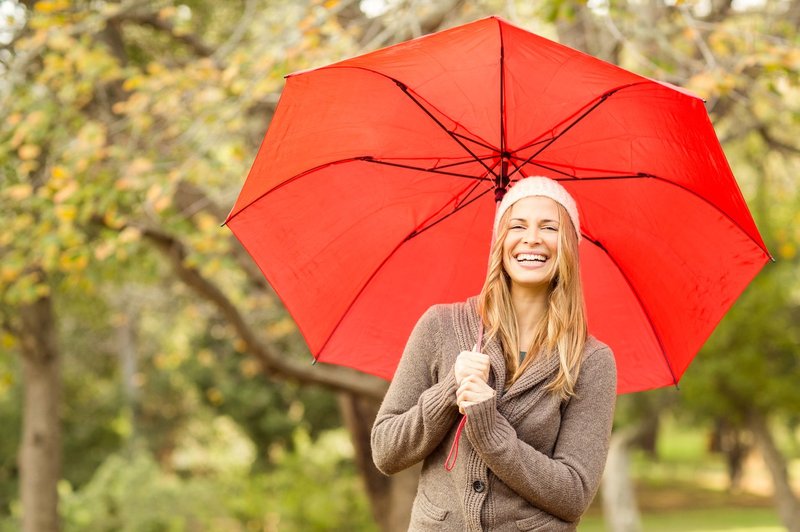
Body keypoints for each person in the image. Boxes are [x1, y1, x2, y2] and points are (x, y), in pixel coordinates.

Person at [370, 176, 617, 531]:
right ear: (500, 242)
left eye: (549, 227)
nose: (532, 238)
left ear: (568, 247)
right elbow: (386, 451)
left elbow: (574, 494)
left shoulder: (591, 361)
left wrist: (491, 432)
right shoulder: (440, 326)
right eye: (518, 225)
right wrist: (448, 391)